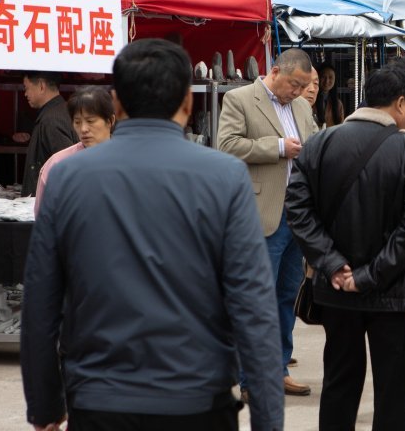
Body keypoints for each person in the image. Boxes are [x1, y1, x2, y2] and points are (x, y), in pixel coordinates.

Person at [21, 39, 284, 431]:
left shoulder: (67, 178)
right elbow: (254, 309)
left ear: (116, 104)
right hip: (197, 402)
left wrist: (45, 405)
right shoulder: (224, 177)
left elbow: (40, 303)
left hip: (99, 402)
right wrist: (268, 421)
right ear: (188, 102)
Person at [286, 65, 405, 431]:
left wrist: (333, 263)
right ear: (401, 103)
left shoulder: (320, 143)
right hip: (394, 291)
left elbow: (298, 210)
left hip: (337, 290)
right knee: (393, 391)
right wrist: (370, 275)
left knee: (339, 381)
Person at [218, 48, 319, 396]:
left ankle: (278, 369)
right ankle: (249, 378)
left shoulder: (302, 107)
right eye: (295, 84)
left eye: (304, 86)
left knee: (287, 295)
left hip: (298, 216)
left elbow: (316, 142)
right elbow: (227, 145)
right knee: (256, 299)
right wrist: (277, 147)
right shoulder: (240, 98)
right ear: (275, 71)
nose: (298, 92)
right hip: (261, 213)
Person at [33, 86, 116, 214]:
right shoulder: (57, 164)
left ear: (110, 121)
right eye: (77, 122)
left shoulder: (128, 162)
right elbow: (42, 216)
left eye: (90, 121)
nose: (83, 129)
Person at [20, 71, 77, 198]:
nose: (25, 94)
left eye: (27, 88)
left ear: (41, 86)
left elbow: (67, 169)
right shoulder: (64, 110)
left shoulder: (51, 120)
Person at [315, 62, 345, 127]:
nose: (327, 81)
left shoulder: (338, 104)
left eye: (330, 77)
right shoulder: (311, 100)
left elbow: (340, 128)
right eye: (323, 77)